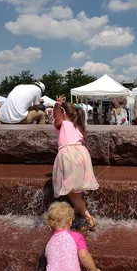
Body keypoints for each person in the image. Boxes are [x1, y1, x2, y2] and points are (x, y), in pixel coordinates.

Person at [53, 95, 99, 230]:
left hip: (69, 156)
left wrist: (56, 106)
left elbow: (56, 117)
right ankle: (76, 219)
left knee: (71, 191)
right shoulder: (77, 126)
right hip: (82, 154)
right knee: (76, 190)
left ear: (63, 113)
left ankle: (88, 217)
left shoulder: (62, 123)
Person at [44, 201, 102, 271]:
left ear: (49, 226)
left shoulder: (49, 244)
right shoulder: (76, 237)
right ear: (70, 221)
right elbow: (84, 256)